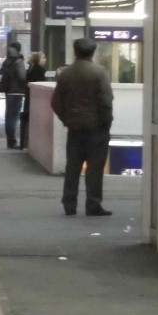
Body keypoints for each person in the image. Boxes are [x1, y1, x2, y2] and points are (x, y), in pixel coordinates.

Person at [51, 38, 114, 217]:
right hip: (96, 127)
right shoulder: (99, 72)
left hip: (75, 128)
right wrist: (106, 122)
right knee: (95, 167)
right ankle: (93, 204)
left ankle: (69, 203)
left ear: (75, 51)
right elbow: (106, 101)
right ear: (93, 53)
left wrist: (67, 119)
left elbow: (55, 102)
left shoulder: (66, 74)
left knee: (73, 166)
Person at [0, 42, 28, 149]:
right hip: (17, 92)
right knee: (14, 118)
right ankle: (12, 142)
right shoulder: (18, 61)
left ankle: (9, 141)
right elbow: (22, 76)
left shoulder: (6, 62)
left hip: (8, 92)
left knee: (8, 117)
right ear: (19, 50)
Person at [19, 51, 48, 150]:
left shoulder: (30, 69)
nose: (45, 60)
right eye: (43, 58)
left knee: (27, 118)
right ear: (38, 60)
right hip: (35, 99)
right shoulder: (39, 71)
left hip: (29, 98)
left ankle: (24, 143)